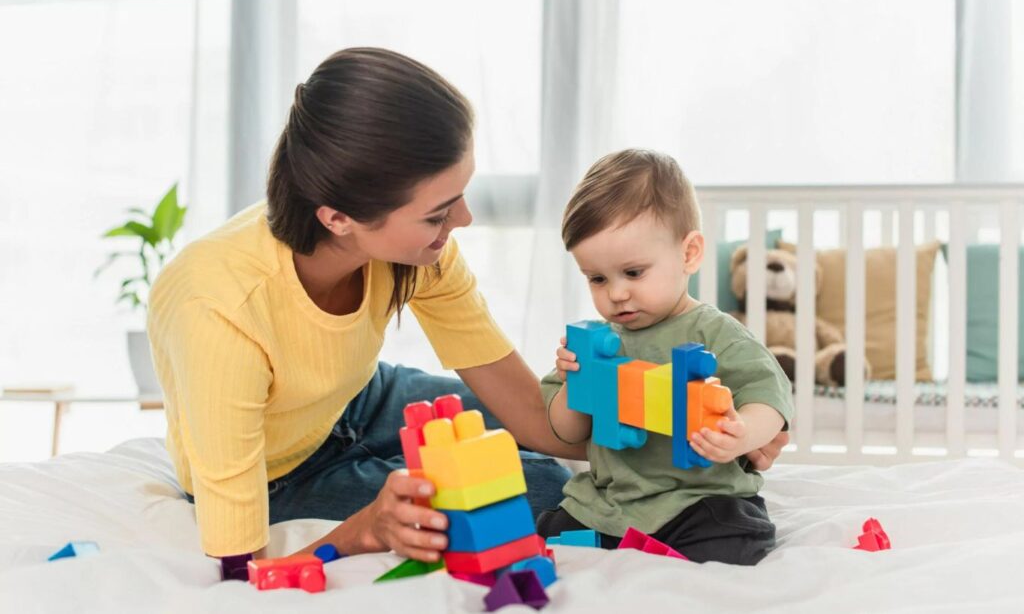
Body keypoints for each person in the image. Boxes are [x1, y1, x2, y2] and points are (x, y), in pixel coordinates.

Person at [147, 48, 787, 575]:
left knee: (572, 470)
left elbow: (539, 419)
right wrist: (361, 532)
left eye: (460, 194)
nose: (464, 220)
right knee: (538, 501)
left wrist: (733, 425)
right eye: (437, 212)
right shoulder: (219, 310)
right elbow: (238, 571)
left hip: (360, 398)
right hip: (276, 471)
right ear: (339, 219)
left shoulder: (419, 253)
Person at [540, 148, 794, 565]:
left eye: (634, 273)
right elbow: (567, 431)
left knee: (732, 534)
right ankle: (619, 551)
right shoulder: (596, 341)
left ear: (689, 253)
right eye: (597, 278)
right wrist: (574, 384)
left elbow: (770, 395)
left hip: (697, 498)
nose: (616, 293)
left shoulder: (715, 332)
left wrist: (743, 433)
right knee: (551, 532)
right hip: (611, 504)